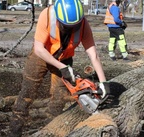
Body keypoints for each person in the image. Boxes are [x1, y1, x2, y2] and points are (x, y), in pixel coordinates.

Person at [9, 0, 110, 136]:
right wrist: (63, 67)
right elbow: (39, 49)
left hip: (64, 58)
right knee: (27, 93)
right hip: (41, 56)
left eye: (75, 25)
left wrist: (103, 83)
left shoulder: (83, 24)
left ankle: (49, 131)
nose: (71, 29)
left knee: (59, 98)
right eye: (67, 26)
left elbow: (93, 54)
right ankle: (15, 131)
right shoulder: (47, 15)